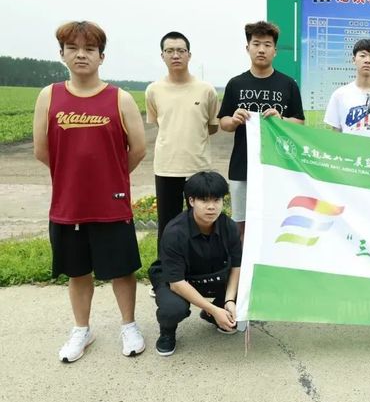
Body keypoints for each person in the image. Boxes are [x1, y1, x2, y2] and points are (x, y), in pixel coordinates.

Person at [32, 21, 147, 362]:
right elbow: (42, 150)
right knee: (77, 270)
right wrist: (73, 177)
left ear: (101, 56)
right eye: (73, 48)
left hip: (112, 203)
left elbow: (138, 149)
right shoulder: (49, 96)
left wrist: (111, 177)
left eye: (89, 49)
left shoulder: (120, 98)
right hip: (68, 203)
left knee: (122, 269)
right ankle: (82, 329)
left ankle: (129, 325)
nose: (81, 55)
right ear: (62, 54)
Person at [218, 21, 304, 242]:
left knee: (275, 220)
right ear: (247, 48)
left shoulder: (288, 84)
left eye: (267, 44)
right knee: (241, 223)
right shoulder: (236, 84)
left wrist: (281, 120)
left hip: (277, 166)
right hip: (242, 165)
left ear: (275, 50)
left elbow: (299, 122)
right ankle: (240, 262)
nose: (261, 49)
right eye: (256, 44)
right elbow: (223, 122)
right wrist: (234, 120)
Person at [149, 171, 242, 356]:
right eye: (204, 200)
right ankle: (167, 331)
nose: (211, 207)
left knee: (249, 289)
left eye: (217, 200)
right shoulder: (175, 232)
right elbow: (177, 283)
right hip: (179, 281)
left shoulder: (229, 227)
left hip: (214, 275)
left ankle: (215, 314)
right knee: (172, 308)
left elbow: (237, 267)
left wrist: (230, 300)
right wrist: (212, 308)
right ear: (191, 201)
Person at [146, 31, 220, 246]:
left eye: (181, 50)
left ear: (189, 55)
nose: (175, 55)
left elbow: (212, 126)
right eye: (169, 51)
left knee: (202, 223)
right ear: (162, 56)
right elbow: (160, 123)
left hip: (198, 167)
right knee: (167, 225)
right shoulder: (153, 90)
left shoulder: (206, 90)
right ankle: (167, 267)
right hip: (166, 167)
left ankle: (201, 265)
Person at [323, 38, 370, 139]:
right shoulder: (339, 94)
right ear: (354, 60)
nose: (367, 60)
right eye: (363, 56)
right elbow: (335, 131)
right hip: (347, 149)